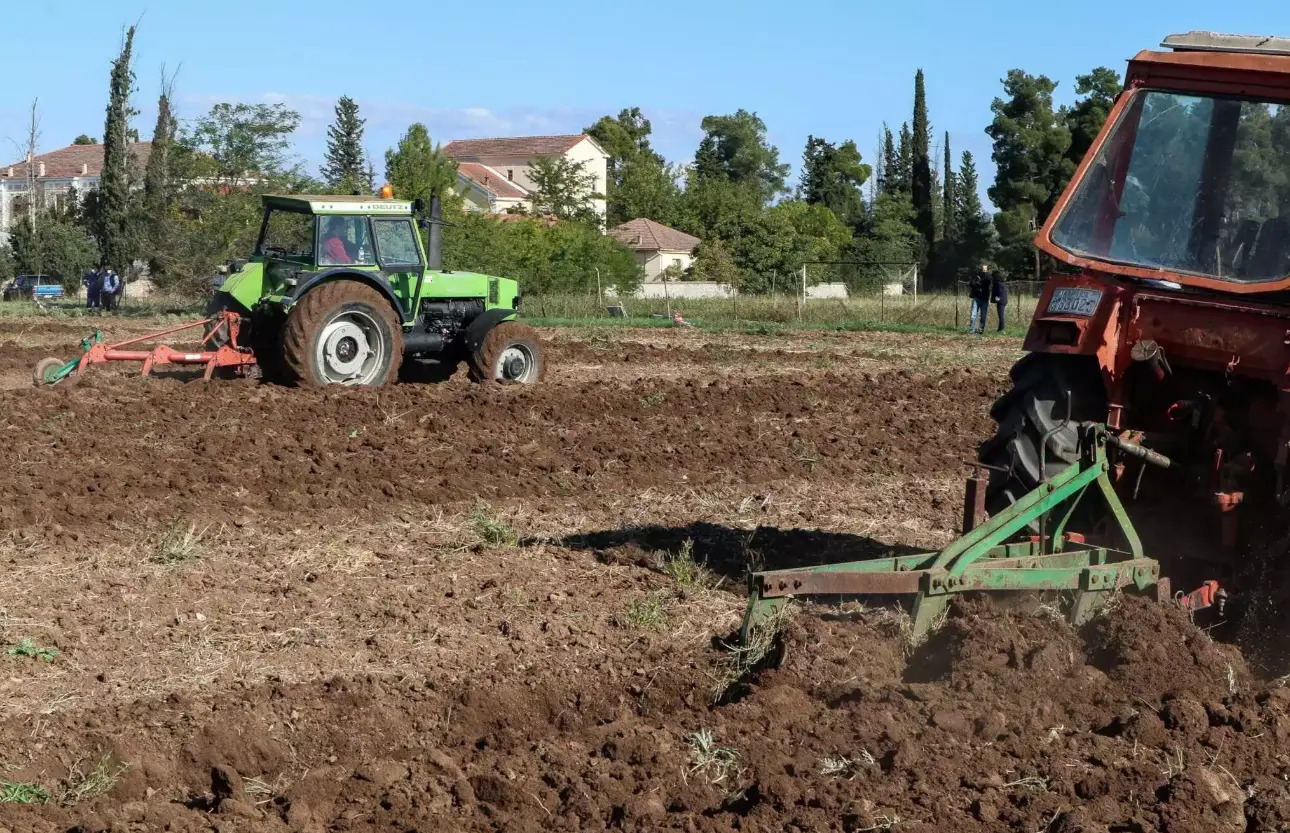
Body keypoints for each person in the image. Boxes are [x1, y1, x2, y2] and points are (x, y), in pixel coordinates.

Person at [968, 263, 991, 334]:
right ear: (980, 269)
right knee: (973, 314)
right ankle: (972, 330)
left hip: (984, 299)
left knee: (983, 315)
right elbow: (971, 284)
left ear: (987, 270)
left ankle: (981, 329)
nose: (984, 271)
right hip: (976, 298)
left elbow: (990, 286)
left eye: (985, 269)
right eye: (982, 269)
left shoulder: (989, 277)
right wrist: (976, 284)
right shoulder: (976, 276)